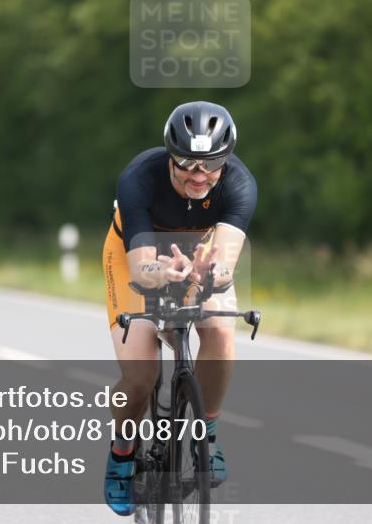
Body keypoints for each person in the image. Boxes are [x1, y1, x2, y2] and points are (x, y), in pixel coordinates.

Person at [101, 101, 257, 516]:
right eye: (187, 162)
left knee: (221, 331)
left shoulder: (240, 184)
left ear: (226, 160)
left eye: (212, 164)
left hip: (198, 259)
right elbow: (141, 269)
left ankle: (207, 434)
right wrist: (164, 272)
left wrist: (209, 275)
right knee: (140, 376)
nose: (199, 175)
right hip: (139, 258)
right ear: (170, 156)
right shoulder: (138, 178)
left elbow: (224, 266)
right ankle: (122, 452)